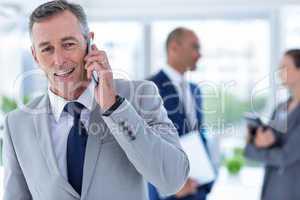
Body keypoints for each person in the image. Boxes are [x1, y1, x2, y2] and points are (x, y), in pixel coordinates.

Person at [3, 1, 190, 199]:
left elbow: (173, 179)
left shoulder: (140, 96)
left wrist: (114, 107)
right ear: (34, 55)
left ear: (89, 42)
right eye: (47, 49)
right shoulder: (17, 124)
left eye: (68, 44)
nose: (58, 60)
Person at [148, 27, 215, 200]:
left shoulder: (195, 90)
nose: (199, 54)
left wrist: (208, 178)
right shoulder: (148, 87)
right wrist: (166, 188)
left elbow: (198, 135)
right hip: (171, 191)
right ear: (174, 48)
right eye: (195, 47)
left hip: (198, 187)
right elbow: (144, 143)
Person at [244, 49, 300, 200]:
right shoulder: (281, 108)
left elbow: (285, 157)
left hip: (292, 191)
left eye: (285, 67)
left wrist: (253, 149)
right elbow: (269, 145)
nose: (279, 72)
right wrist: (256, 139)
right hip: (271, 188)